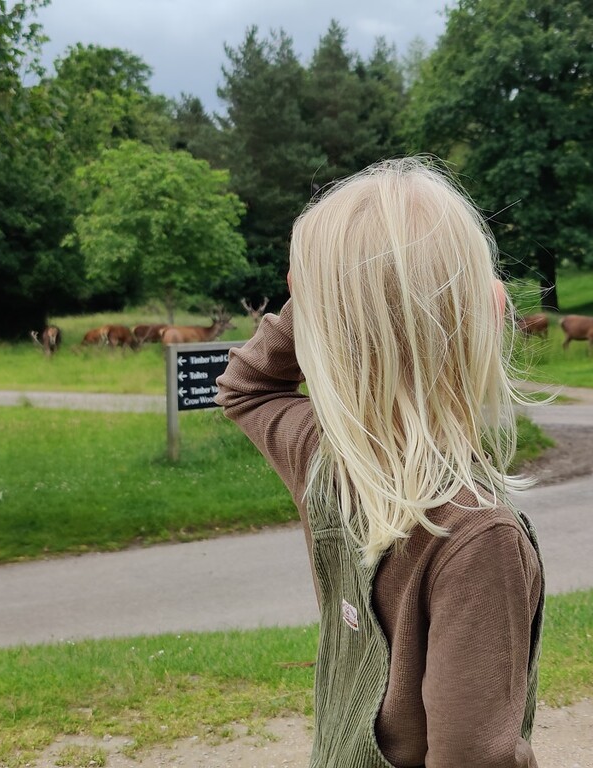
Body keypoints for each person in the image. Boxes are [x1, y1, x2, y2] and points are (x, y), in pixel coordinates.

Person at [216, 157, 545, 768]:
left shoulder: (325, 459)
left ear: (324, 329)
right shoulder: (478, 538)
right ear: (483, 317)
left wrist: (311, 301)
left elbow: (244, 387)